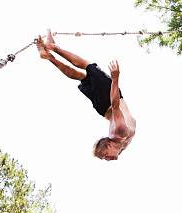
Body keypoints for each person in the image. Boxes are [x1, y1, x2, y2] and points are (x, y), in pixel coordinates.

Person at [36, 30, 136, 161]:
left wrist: (115, 79)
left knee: (87, 66)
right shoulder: (121, 143)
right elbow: (115, 107)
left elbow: (115, 105)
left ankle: (53, 47)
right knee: (81, 76)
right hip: (102, 108)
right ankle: (48, 56)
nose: (107, 158)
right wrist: (115, 79)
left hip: (109, 99)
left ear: (109, 144)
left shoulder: (120, 132)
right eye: (105, 156)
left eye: (104, 156)